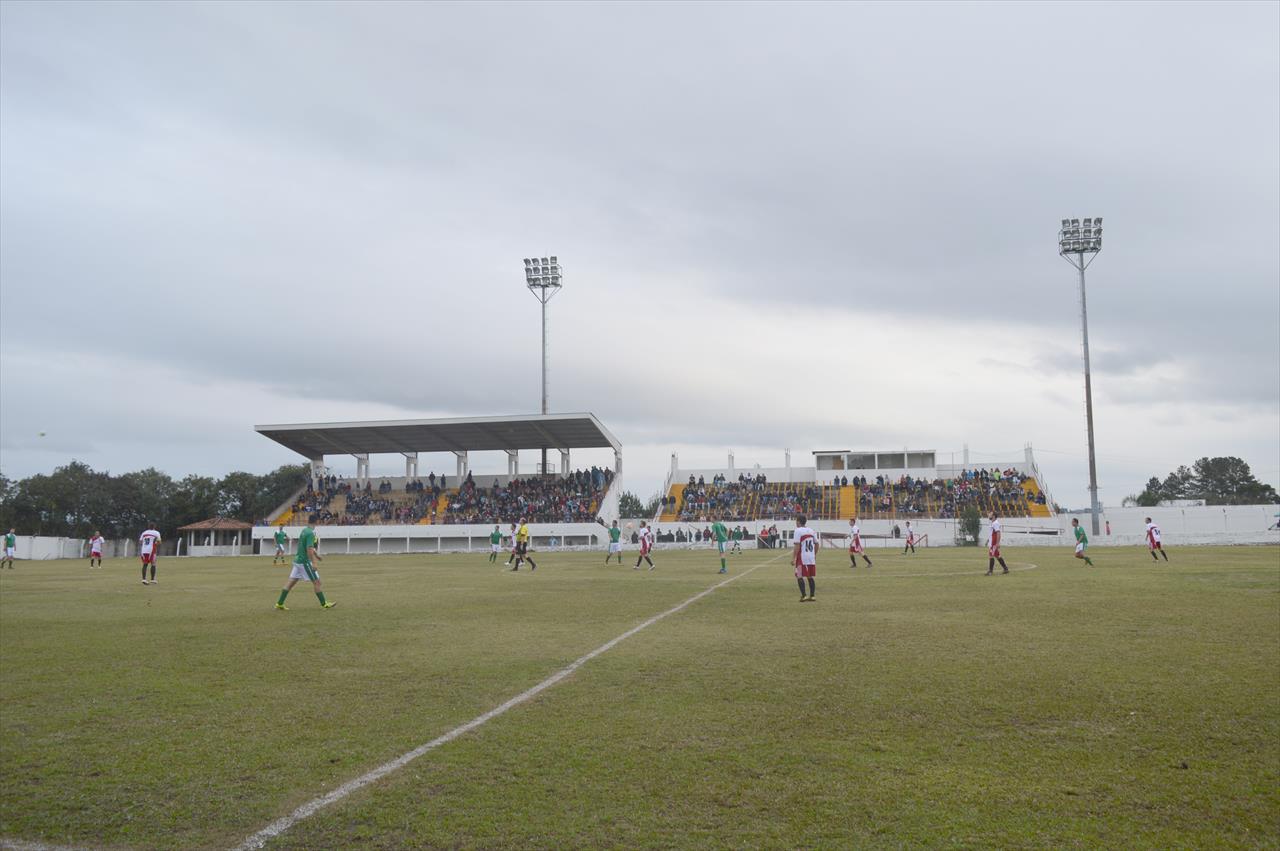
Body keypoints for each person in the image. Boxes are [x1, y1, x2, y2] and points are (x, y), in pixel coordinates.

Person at [275, 523, 335, 610]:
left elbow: (307, 546)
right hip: (304, 562)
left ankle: (279, 603)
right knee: (317, 582)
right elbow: (309, 548)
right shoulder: (310, 533)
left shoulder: (304, 531)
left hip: (297, 560)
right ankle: (324, 604)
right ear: (316, 522)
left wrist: (317, 555)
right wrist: (314, 562)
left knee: (290, 583)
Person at [793, 515, 818, 602]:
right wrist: (814, 554)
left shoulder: (797, 531)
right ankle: (812, 596)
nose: (796, 522)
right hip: (811, 557)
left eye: (796, 521)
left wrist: (793, 558)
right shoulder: (811, 530)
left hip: (802, 557)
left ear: (799, 521)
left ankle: (804, 596)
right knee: (809, 576)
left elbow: (797, 545)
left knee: (799, 576)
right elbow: (817, 544)